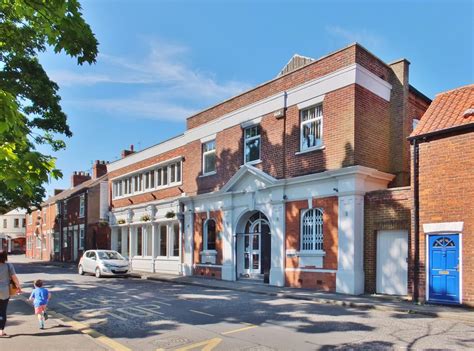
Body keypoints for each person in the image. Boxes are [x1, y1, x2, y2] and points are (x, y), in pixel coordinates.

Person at [0, 251, 22, 337]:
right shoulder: (9, 266)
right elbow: (14, 277)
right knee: (2, 311)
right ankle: (1, 330)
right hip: (4, 291)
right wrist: (18, 287)